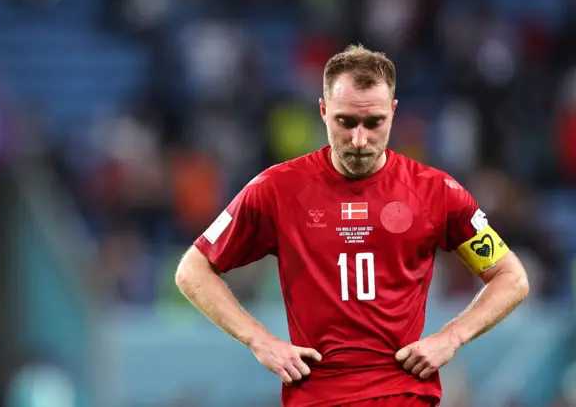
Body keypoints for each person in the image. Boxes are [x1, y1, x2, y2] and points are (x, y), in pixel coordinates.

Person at [175, 45, 529, 407]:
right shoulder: (276, 190)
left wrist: (452, 337)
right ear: (324, 111)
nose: (360, 140)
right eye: (346, 122)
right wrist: (259, 340)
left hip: (403, 396)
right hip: (317, 397)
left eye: (374, 122)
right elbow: (192, 270)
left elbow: (511, 277)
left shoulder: (436, 192)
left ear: (393, 112)